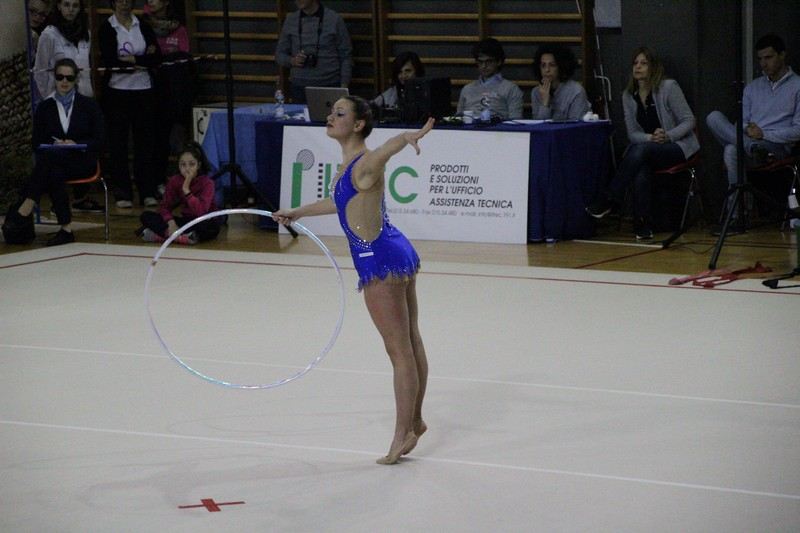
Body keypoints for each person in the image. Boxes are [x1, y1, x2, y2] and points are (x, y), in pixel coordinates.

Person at [272, 96, 431, 465]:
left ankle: (403, 432)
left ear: (358, 125)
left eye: (340, 114)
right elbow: (338, 202)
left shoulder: (364, 163)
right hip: (394, 249)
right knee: (411, 342)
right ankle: (416, 420)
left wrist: (403, 138)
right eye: (332, 112)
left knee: (399, 351)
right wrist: (297, 212)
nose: (330, 117)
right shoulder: (349, 167)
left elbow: (381, 155)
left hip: (378, 260)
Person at [586, 47, 699, 240]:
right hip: (649, 149)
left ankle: (611, 199)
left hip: (677, 146)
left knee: (640, 152)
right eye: (635, 63)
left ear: (653, 67)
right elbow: (633, 134)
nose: (638, 67)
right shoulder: (628, 96)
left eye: (643, 63)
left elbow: (689, 121)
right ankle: (643, 225)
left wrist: (668, 136)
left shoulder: (668, 87)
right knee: (641, 164)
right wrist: (650, 138)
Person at [2, 58, 104, 247]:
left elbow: (99, 139)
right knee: (54, 167)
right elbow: (36, 141)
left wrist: (76, 143)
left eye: (69, 78)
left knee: (50, 164)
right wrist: (56, 145)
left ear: (76, 79)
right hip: (55, 162)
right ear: (54, 78)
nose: (64, 82)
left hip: (81, 160)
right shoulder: (45, 107)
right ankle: (66, 228)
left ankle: (27, 204)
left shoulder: (89, 106)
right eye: (60, 77)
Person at [706, 34, 800, 234]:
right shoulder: (752, 87)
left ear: (782, 55)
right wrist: (747, 129)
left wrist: (764, 133)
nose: (763, 64)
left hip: (775, 146)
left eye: (769, 58)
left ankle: (737, 216)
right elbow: (741, 120)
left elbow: (798, 131)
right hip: (752, 144)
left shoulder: (797, 85)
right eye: (760, 59)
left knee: (732, 150)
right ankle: (752, 149)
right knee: (713, 118)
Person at [98, 0, 162, 208]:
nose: (124, 4)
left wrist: (133, 60)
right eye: (120, 0)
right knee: (118, 144)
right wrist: (140, 59)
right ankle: (123, 192)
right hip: (117, 93)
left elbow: (156, 58)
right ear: (113, 3)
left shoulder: (142, 26)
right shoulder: (107, 28)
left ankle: (147, 190)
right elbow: (110, 60)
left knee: (146, 143)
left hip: (144, 91)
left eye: (128, 0)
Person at [143, 0, 195, 188]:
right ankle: (157, 180)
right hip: (151, 91)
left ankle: (183, 182)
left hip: (175, 92)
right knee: (157, 140)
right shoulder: (143, 26)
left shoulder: (179, 28)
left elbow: (183, 57)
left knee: (178, 139)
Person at [137, 141, 220, 245]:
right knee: (146, 216)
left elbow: (201, 211)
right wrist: (171, 223)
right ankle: (179, 236)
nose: (187, 169)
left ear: (198, 165)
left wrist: (186, 190)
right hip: (186, 221)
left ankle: (164, 236)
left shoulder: (207, 183)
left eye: (192, 164)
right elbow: (164, 207)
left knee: (211, 228)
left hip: (202, 220)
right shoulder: (175, 181)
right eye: (183, 165)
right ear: (178, 166)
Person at [275, 0, 353, 104]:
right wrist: (292, 61)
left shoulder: (334, 19)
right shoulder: (291, 20)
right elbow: (279, 55)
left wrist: (344, 86)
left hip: (329, 85)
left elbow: (346, 55)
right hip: (299, 86)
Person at [34, 0, 93, 100]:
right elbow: (40, 70)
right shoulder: (49, 34)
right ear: (59, 6)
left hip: (84, 96)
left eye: (75, 6)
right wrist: (48, 97)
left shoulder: (86, 35)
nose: (71, 9)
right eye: (66, 5)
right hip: (58, 97)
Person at [457, 38, 523, 121]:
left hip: (498, 132)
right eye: (480, 62)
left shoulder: (511, 89)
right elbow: (458, 119)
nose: (484, 66)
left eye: (489, 62)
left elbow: (516, 122)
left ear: (499, 61)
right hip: (469, 132)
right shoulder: (467, 89)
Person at [530, 43, 591, 120]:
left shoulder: (576, 91)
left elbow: (576, 126)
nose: (547, 70)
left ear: (561, 66)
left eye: (552, 65)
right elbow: (538, 127)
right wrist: (545, 103)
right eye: (543, 65)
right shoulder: (536, 92)